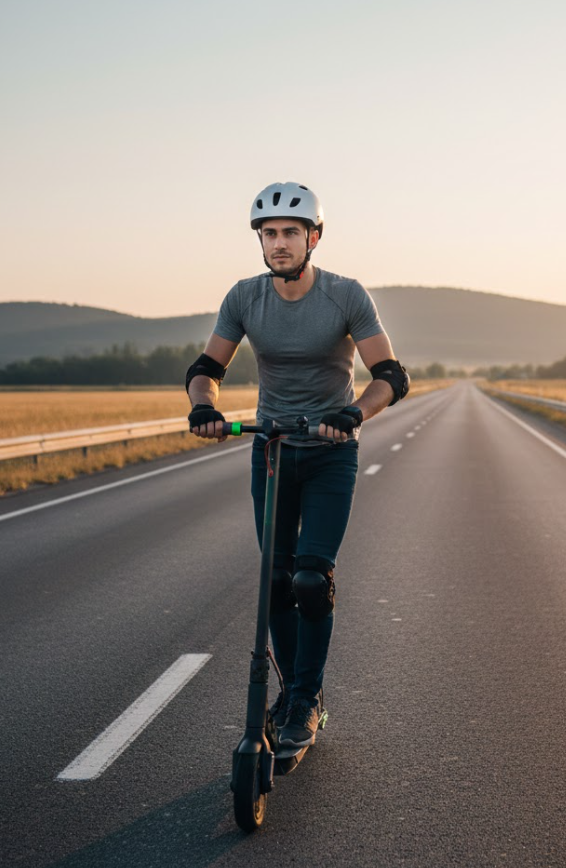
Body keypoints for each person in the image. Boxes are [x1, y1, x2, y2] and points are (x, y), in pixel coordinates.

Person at [186, 181, 408, 749]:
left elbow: (391, 376)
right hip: (273, 451)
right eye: (269, 233)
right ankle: (290, 693)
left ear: (314, 237)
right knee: (276, 580)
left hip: (331, 454)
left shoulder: (345, 295)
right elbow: (207, 367)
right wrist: (204, 407)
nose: (279, 243)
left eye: (290, 232)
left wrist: (353, 414)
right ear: (259, 240)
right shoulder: (244, 298)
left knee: (311, 580)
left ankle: (307, 701)